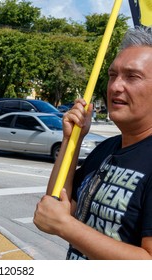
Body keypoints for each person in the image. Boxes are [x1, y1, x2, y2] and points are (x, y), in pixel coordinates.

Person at [34, 26, 152, 260]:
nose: (115, 86)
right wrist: (72, 139)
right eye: (112, 75)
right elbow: (57, 205)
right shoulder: (107, 149)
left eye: (132, 76)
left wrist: (67, 227)